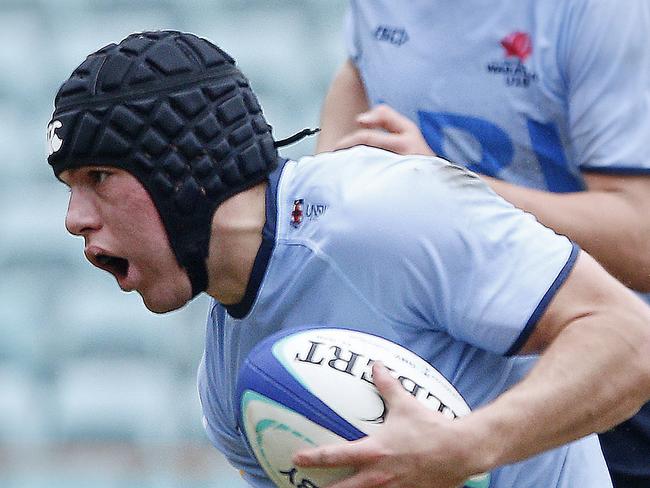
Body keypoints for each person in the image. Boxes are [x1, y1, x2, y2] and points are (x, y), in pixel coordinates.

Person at [47, 31, 650, 488]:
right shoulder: (232, 386)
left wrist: (469, 446)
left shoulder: (384, 210)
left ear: (179, 172)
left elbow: (629, 341)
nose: (75, 218)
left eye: (99, 176)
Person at [316, 2, 650, 486]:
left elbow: (640, 239)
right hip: (441, 373)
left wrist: (447, 185)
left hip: (597, 377)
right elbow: (358, 74)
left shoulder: (599, 13)